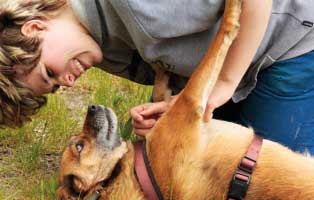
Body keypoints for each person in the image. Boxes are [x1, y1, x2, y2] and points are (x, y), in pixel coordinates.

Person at [1, 0, 314, 154]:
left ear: (35, 28)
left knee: (267, 182)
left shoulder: (142, 5)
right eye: (55, 87)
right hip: (243, 71)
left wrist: (223, 83)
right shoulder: (91, 42)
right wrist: (167, 107)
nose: (67, 83)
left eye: (50, 73)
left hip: (291, 42)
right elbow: (176, 55)